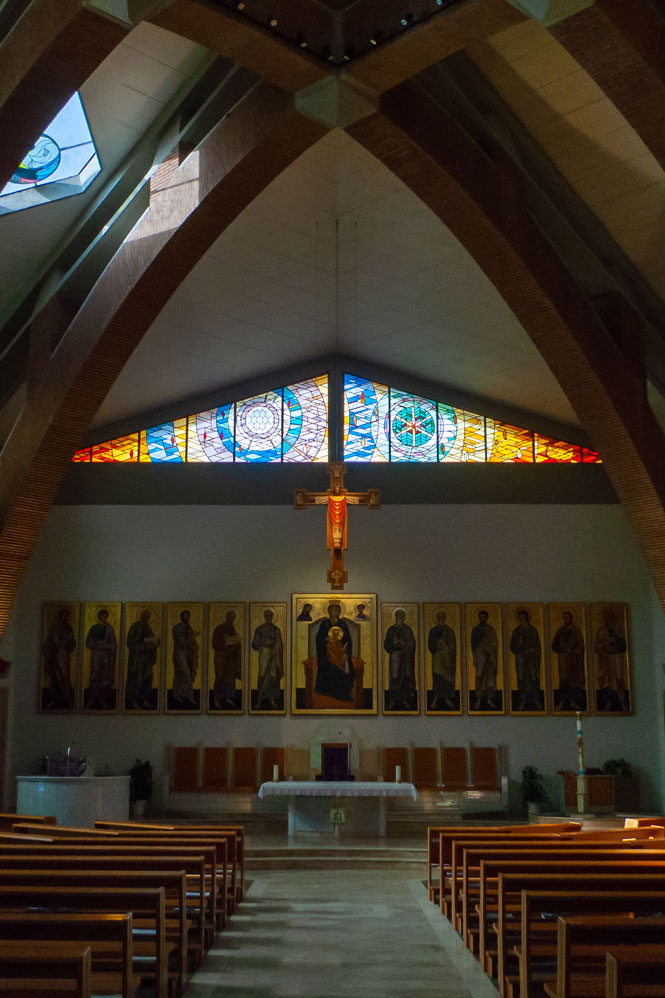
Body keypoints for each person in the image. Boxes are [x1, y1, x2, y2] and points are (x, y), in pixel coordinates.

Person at [314, 603, 355, 704]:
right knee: (329, 668)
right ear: (329, 612)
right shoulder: (325, 624)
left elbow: (348, 640)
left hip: (340, 653)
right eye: (332, 610)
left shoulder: (342, 624)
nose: (334, 612)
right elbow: (318, 638)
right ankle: (328, 691)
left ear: (340, 612)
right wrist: (325, 639)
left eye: (336, 610)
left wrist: (345, 651)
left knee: (343, 669)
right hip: (327, 654)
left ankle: (341, 693)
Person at [594, 608, 629, 710]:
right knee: (608, 681)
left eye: (610, 617)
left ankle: (622, 700)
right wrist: (604, 646)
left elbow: (623, 645)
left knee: (619, 678)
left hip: (617, 657)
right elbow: (597, 646)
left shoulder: (617, 629)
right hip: (607, 658)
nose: (608, 620)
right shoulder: (602, 630)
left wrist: (614, 643)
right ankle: (609, 701)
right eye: (606, 618)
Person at [125, 608, 160, 710]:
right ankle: (134, 700)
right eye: (145, 616)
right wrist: (141, 646)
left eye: (148, 616)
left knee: (149, 678)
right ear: (141, 616)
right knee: (138, 680)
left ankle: (144, 699)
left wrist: (156, 642)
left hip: (147, 659)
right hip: (137, 659)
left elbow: (152, 639)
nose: (146, 618)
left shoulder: (148, 628)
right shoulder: (135, 627)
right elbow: (129, 643)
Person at [551, 609, 586, 710]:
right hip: (563, 659)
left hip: (574, 660)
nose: (565, 619)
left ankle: (573, 701)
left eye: (567, 617)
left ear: (571, 618)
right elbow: (554, 646)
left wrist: (572, 650)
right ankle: (562, 701)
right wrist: (562, 648)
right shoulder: (560, 631)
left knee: (573, 681)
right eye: (564, 618)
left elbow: (581, 646)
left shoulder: (576, 631)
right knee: (564, 680)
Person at [42, 606, 76, 709]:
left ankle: (69, 699)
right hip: (54, 654)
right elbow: (49, 640)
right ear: (60, 616)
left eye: (66, 616)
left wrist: (64, 643)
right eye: (63, 615)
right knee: (54, 677)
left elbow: (72, 642)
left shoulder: (68, 628)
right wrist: (49, 649)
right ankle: (54, 699)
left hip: (63, 654)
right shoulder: (54, 627)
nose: (64, 617)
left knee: (64, 676)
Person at [509, 609, 542, 710]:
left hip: (532, 660)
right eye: (520, 618)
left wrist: (532, 650)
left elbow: (537, 646)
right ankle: (522, 700)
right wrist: (519, 648)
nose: (521, 619)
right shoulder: (516, 631)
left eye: (523, 617)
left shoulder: (533, 630)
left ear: (527, 617)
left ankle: (536, 700)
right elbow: (512, 647)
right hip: (521, 659)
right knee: (522, 679)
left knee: (533, 679)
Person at [384, 608, 417, 710]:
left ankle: (404, 699)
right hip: (395, 657)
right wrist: (393, 644)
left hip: (405, 658)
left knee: (405, 678)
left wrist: (404, 644)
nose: (400, 618)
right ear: (395, 617)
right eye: (398, 616)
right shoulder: (391, 630)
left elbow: (412, 644)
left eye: (401, 616)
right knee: (394, 678)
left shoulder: (407, 629)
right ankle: (393, 700)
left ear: (404, 618)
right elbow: (386, 645)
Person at [85, 607, 117, 710]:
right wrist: (97, 644)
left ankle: (102, 699)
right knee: (94, 677)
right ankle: (91, 699)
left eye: (105, 615)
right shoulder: (94, 628)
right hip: (96, 656)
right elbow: (88, 643)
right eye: (102, 615)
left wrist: (107, 646)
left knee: (104, 678)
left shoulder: (110, 629)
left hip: (106, 657)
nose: (104, 617)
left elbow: (113, 644)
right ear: (99, 616)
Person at [252, 609, 283, 709]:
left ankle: (271, 698)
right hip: (264, 655)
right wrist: (263, 641)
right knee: (262, 676)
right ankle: (260, 699)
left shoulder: (276, 629)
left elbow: (280, 644)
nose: (269, 618)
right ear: (265, 617)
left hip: (274, 656)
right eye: (267, 616)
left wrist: (275, 647)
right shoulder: (259, 629)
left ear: (272, 617)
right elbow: (254, 645)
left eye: (270, 616)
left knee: (273, 677)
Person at [211, 609, 242, 709]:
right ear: (226, 617)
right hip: (221, 657)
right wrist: (225, 646)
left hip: (230, 657)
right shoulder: (219, 628)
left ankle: (227, 697)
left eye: (233, 618)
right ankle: (216, 698)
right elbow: (214, 643)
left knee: (229, 678)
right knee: (220, 676)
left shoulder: (232, 629)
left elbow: (236, 641)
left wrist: (235, 645)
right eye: (230, 617)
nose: (231, 619)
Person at [428, 609, 457, 709]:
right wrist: (437, 645)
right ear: (436, 619)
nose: (441, 619)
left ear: (445, 618)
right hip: (437, 657)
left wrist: (446, 648)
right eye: (439, 617)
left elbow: (453, 645)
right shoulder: (433, 631)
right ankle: (435, 698)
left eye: (442, 617)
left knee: (447, 679)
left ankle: (446, 698)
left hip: (447, 659)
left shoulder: (450, 631)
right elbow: (430, 644)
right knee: (437, 677)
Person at [470, 609, 499, 709]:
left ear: (487, 618)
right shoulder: (475, 630)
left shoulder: (491, 629)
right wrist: (479, 651)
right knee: (479, 674)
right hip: (480, 655)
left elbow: (495, 643)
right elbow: (473, 644)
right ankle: (478, 698)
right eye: (480, 616)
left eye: (484, 616)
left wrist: (490, 649)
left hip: (489, 655)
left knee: (489, 677)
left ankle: (489, 698)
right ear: (478, 618)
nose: (482, 618)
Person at [171, 609, 199, 707]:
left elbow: (190, 641)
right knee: (185, 674)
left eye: (188, 616)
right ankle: (190, 696)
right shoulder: (177, 628)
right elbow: (181, 641)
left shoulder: (189, 628)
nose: (187, 618)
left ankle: (176, 694)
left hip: (188, 654)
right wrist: (193, 637)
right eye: (185, 616)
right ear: (181, 617)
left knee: (180, 674)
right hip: (179, 653)